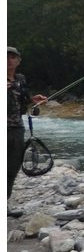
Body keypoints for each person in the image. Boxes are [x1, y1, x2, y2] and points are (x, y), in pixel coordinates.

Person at [7, 46, 47, 217]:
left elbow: (24, 100)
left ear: (18, 61)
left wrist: (33, 99)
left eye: (12, 57)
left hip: (17, 128)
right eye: (5, 56)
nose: (9, 60)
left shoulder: (20, 79)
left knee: (12, 168)